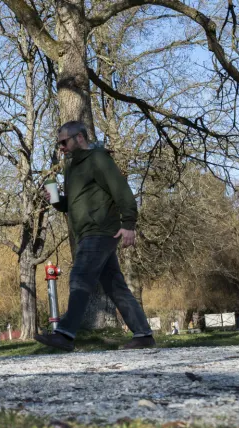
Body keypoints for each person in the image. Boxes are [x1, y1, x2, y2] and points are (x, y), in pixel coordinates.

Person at [35, 121, 156, 352]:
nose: (61, 147)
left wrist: (129, 224)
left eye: (64, 142)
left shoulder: (99, 159)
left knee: (80, 276)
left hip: (101, 230)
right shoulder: (72, 167)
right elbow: (69, 204)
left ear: (79, 138)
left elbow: (122, 192)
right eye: (59, 143)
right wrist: (52, 197)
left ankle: (65, 334)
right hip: (87, 232)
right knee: (115, 286)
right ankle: (144, 335)